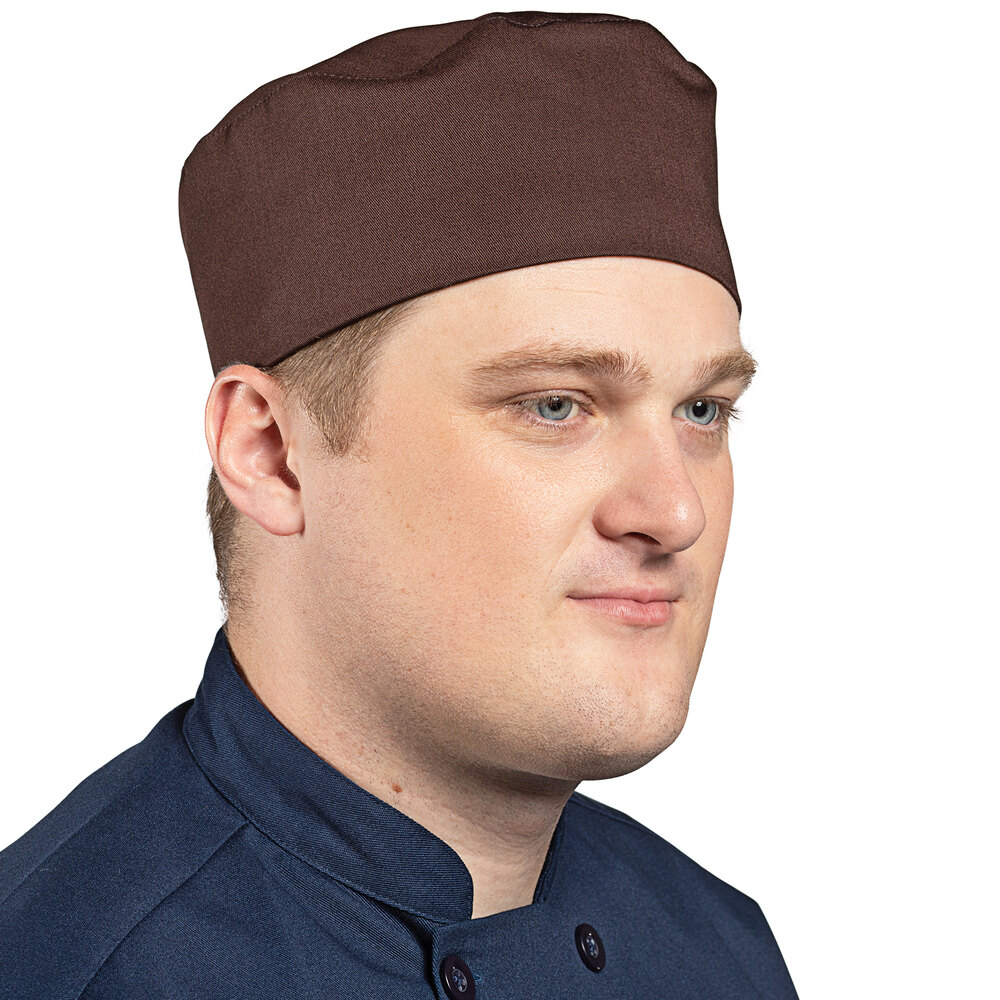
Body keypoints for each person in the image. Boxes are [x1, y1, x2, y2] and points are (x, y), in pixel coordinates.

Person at [0, 10, 799, 999]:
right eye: (554, 405)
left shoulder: (716, 948)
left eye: (702, 409)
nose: (675, 512)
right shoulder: (65, 967)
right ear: (270, 455)